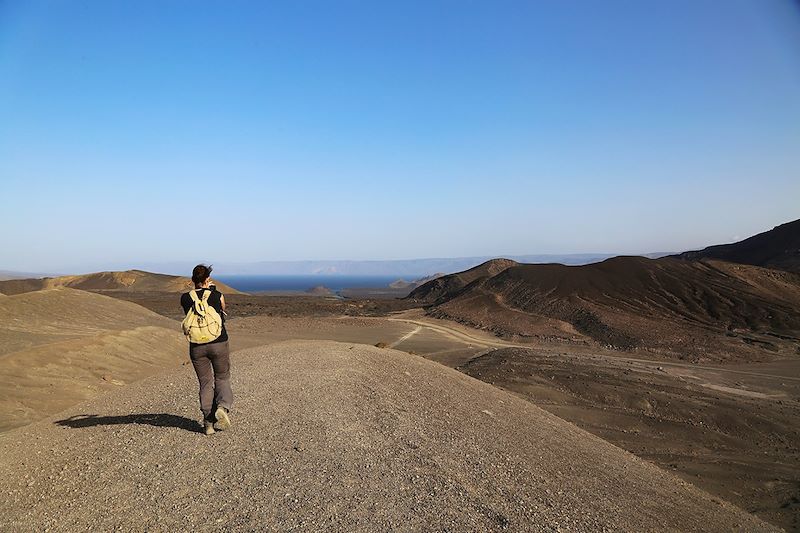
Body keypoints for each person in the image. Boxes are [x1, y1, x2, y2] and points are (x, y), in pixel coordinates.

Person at [180, 264, 233, 435]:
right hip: (219, 342)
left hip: (197, 347)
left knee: (205, 382)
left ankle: (208, 424)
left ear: (193, 280)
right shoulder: (217, 295)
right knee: (222, 377)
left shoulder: (185, 298)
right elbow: (223, 309)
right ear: (207, 279)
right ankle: (223, 408)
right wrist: (212, 291)